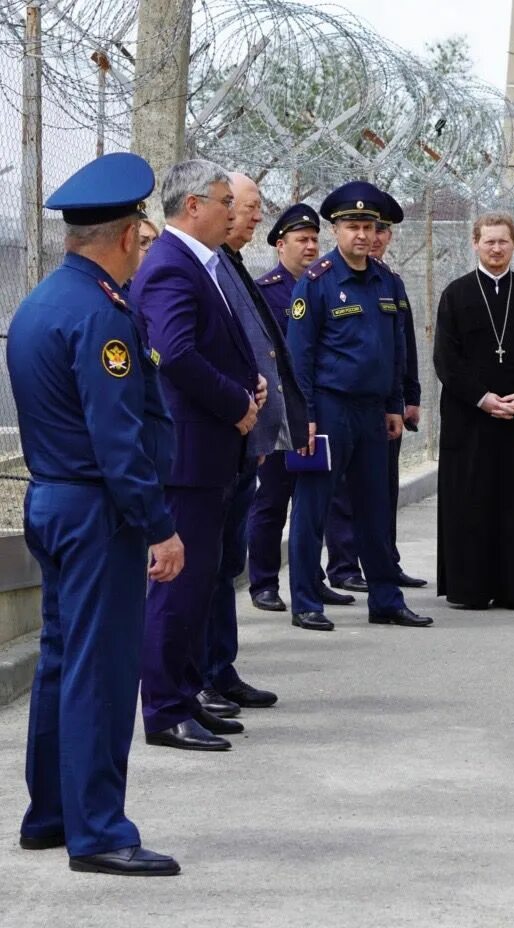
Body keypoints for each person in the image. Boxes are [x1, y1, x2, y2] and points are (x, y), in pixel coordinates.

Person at [7, 152, 183, 875]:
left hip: (52, 501)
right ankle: (100, 831)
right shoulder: (101, 318)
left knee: (60, 664)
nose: (144, 247)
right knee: (102, 673)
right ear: (126, 236)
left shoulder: (43, 301)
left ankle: (50, 813)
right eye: (142, 235)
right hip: (96, 512)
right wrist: (159, 525)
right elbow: (118, 443)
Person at [132, 159, 263, 752]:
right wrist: (236, 399)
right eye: (222, 201)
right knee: (178, 590)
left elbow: (212, 345)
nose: (232, 212)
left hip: (212, 452)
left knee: (201, 586)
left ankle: (185, 696)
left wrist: (248, 383)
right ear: (192, 206)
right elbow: (176, 354)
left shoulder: (201, 263)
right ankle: (163, 709)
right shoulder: (170, 267)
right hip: (188, 457)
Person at [285, 181, 432, 631]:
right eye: (352, 226)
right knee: (313, 509)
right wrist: (304, 417)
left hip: (372, 413)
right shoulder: (317, 283)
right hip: (327, 411)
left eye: (369, 226)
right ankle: (307, 601)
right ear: (336, 230)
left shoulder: (387, 281)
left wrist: (395, 405)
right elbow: (299, 358)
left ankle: (386, 598)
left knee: (376, 508)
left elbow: (393, 350)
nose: (362, 235)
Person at [199, 172, 305, 714]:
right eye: (246, 205)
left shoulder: (230, 265)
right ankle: (200, 677)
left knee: (224, 566)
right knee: (205, 569)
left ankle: (221, 668)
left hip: (245, 442)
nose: (256, 215)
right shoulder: (205, 268)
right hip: (215, 443)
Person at [433, 211, 514, 611]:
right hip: (469, 419)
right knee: (470, 501)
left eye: (503, 241)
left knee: (513, 502)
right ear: (475, 243)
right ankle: (468, 589)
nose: (496, 248)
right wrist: (483, 398)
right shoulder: (455, 294)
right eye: (489, 241)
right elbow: (446, 360)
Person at [248, 203, 359, 613]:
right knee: (273, 499)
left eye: (315, 239)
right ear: (281, 245)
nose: (311, 246)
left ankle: (311, 579)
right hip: (279, 415)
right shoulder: (266, 291)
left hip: (314, 410)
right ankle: (262, 582)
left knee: (317, 501)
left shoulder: (325, 286)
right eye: (302, 239)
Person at [369, 190, 426, 588]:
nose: (374, 237)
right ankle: (344, 566)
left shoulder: (393, 282)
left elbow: (404, 344)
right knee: (344, 496)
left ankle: (387, 561)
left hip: (390, 402)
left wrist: (413, 397)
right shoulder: (329, 280)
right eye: (366, 228)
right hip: (349, 402)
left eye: (382, 230)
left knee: (385, 488)